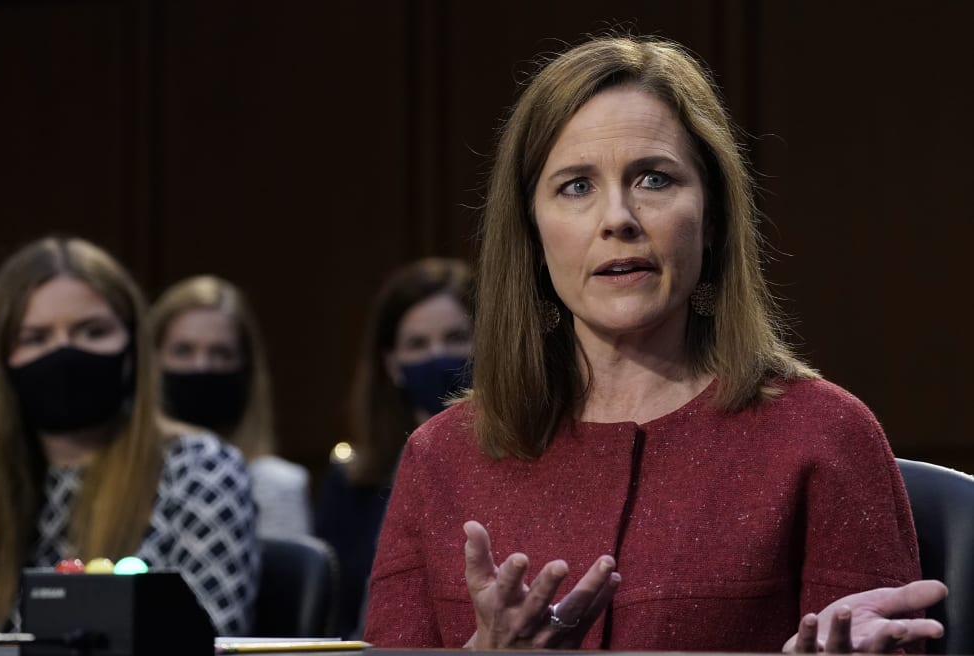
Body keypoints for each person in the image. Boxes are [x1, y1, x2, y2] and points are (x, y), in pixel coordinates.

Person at [364, 36, 947, 652]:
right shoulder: (441, 459)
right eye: (576, 187)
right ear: (533, 236)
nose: (618, 217)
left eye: (653, 178)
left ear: (714, 217)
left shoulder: (825, 436)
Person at [0, 237, 258, 635]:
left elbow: (210, 642)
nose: (64, 352)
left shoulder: (200, 471)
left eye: (92, 331)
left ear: (134, 348)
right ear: (0, 361)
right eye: (35, 338)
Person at [315, 257, 473, 638]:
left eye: (455, 339)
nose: (437, 356)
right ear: (392, 364)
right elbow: (336, 614)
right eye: (417, 344)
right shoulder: (351, 477)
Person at [151, 275, 311, 539]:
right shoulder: (124, 482)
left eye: (221, 354)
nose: (201, 367)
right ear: (152, 361)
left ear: (246, 369)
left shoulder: (274, 485)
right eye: (183, 351)